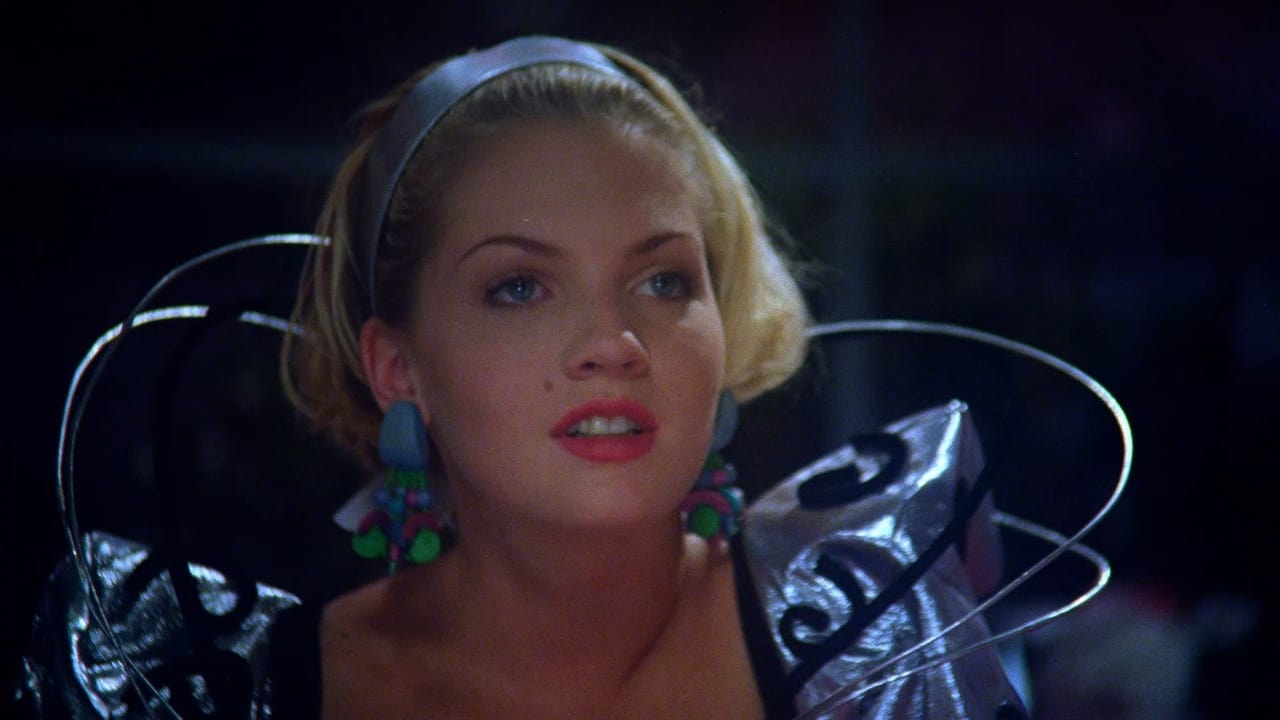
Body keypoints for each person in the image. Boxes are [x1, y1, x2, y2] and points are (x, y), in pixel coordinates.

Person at [18, 36, 1030, 719]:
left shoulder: (870, 635)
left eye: (664, 281)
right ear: (398, 367)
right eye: (518, 288)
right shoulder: (215, 688)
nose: (613, 344)